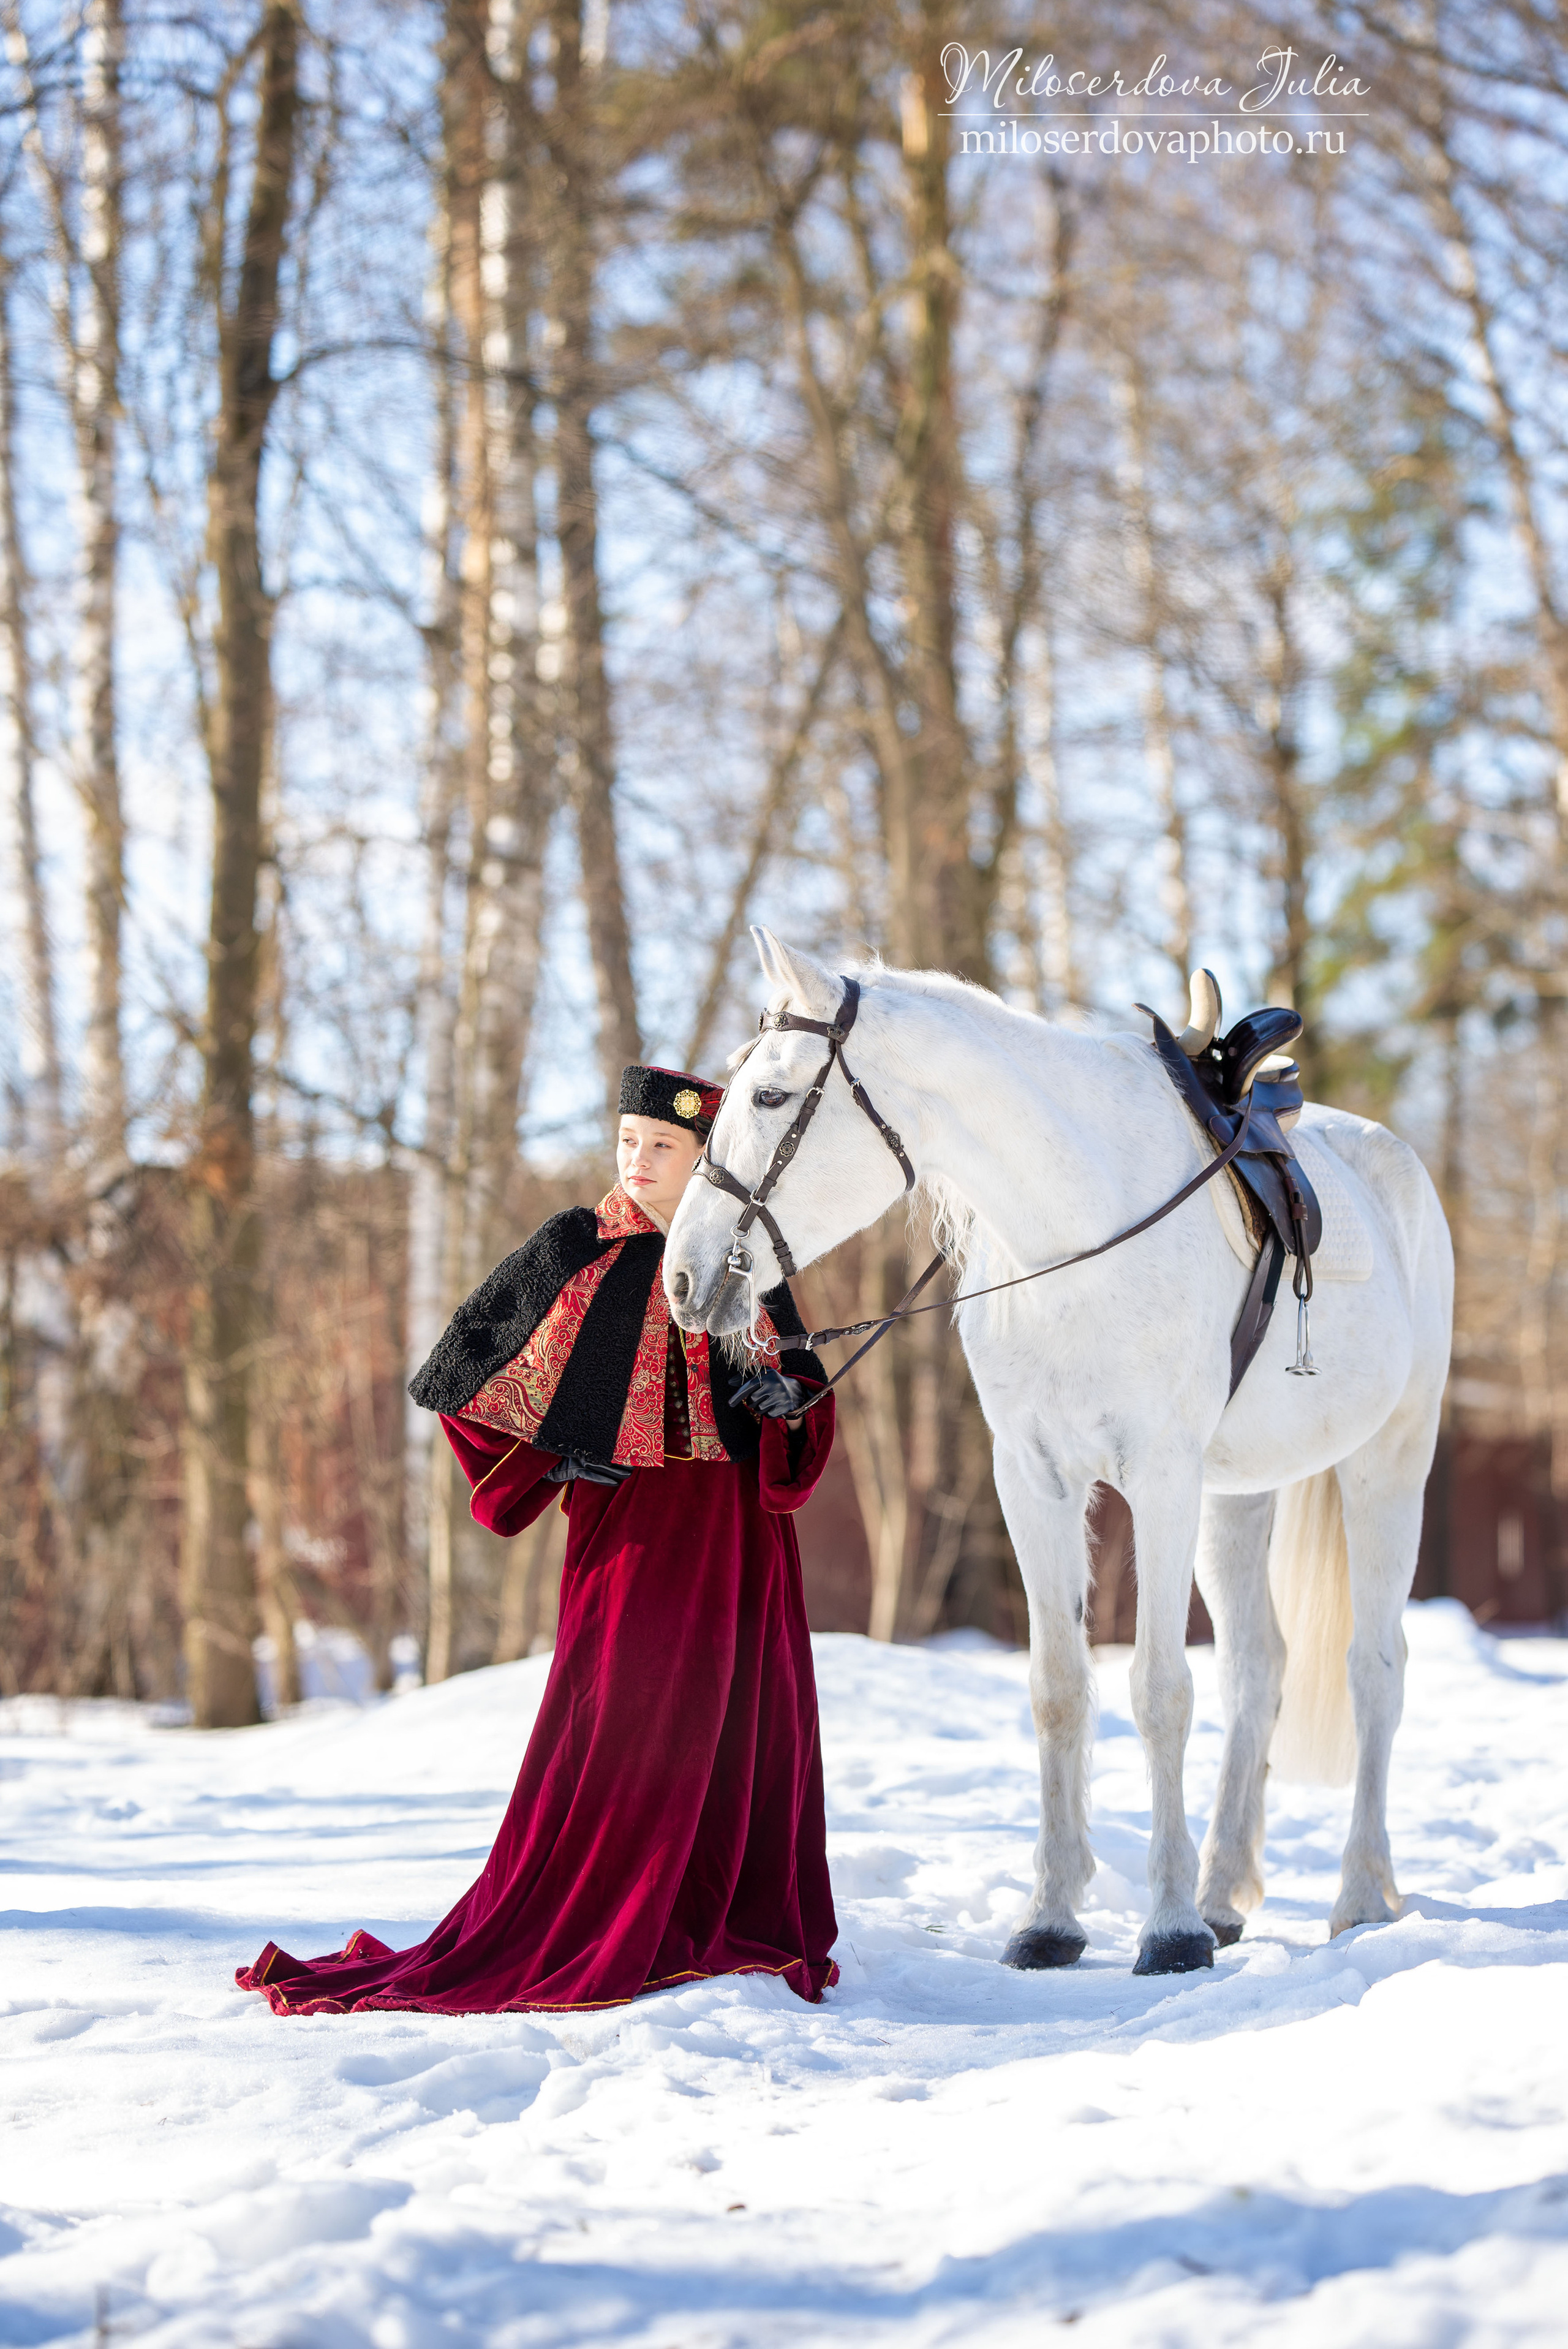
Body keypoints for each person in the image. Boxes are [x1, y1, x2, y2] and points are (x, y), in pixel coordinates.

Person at [235, 1064, 839, 2016]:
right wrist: (548, 1464)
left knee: (745, 1724)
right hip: (629, 1539)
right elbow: (457, 1375)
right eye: (628, 1142)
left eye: (663, 1148)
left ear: (706, 1157)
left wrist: (789, 1405)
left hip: (740, 1538)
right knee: (623, 1723)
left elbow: (801, 1384)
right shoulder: (576, 1243)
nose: (637, 1162)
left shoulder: (748, 1258)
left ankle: (717, 1912)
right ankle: (603, 1911)